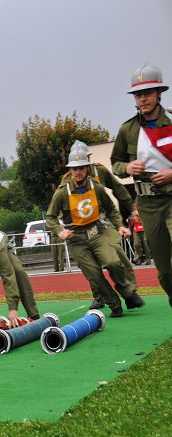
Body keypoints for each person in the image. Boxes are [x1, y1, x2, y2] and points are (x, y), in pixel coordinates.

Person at [46, 141, 144, 317]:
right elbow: (50, 216)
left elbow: (116, 195)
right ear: (70, 169)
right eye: (74, 168)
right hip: (76, 236)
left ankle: (129, 292)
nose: (78, 172)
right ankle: (110, 301)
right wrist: (60, 230)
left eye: (82, 167)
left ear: (88, 164)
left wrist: (122, 222)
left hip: (100, 226)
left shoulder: (99, 177)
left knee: (115, 259)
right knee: (93, 274)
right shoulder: (63, 188)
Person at [111, 62, 172, 309]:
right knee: (165, 271)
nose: (143, 99)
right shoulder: (128, 130)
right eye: (138, 95)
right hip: (147, 205)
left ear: (159, 93)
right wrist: (127, 168)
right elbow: (115, 162)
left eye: (147, 93)